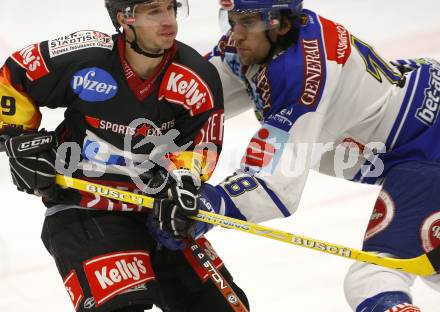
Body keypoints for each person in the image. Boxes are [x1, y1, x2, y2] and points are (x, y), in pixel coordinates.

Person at [149, 0, 440, 311]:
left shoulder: (302, 76)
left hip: (428, 146)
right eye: (231, 21)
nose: (235, 36)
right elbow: (193, 99)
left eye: (247, 23)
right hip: (425, 122)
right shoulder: (267, 43)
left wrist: (207, 205)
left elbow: (274, 184)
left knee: (374, 278)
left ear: (281, 24)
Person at [0, 0, 249, 311]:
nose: (168, 20)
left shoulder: (197, 76)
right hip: (84, 207)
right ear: (124, 18)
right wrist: (17, 139)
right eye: (154, 11)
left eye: (171, 8)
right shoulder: (85, 57)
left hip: (155, 211)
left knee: (226, 307)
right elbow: (14, 76)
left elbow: (200, 149)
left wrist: (182, 183)